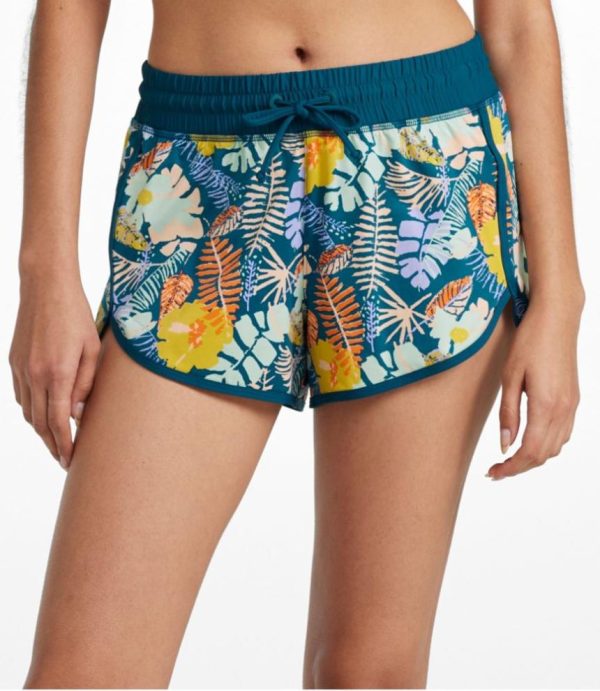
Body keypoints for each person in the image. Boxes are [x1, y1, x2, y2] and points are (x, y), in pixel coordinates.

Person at [10, 0, 584, 688]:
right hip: (200, 169)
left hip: (422, 170)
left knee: (365, 673)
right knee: (83, 672)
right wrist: (44, 270)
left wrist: (562, 298)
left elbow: (517, 22)